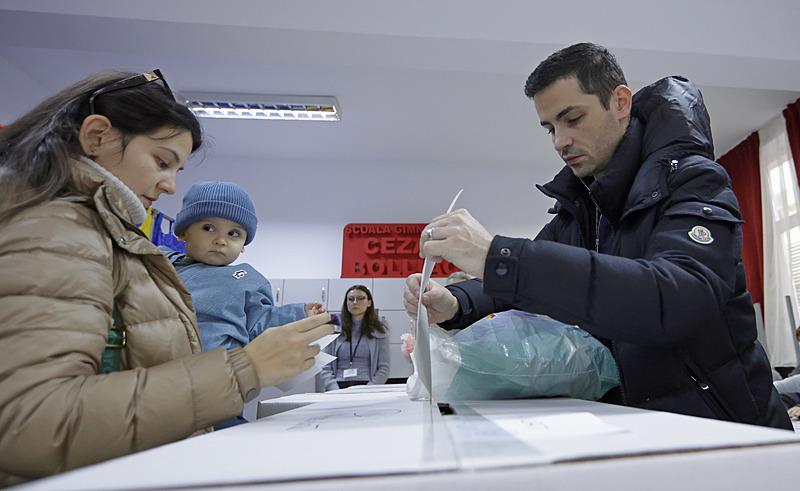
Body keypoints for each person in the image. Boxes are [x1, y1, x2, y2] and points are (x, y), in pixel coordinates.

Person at [403, 43, 791, 430]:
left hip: (729, 428)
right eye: (551, 128)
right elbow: (532, 270)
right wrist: (455, 301)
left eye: (572, 118)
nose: (559, 141)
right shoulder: (584, 206)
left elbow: (674, 299)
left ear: (620, 102)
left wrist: (495, 255)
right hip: (641, 428)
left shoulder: (693, 181)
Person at [0, 69, 334, 485]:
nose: (170, 186)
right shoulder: (55, 231)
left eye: (177, 169)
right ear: (97, 136)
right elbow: (27, 421)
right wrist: (243, 370)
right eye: (162, 162)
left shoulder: (110, 238)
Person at [161, 180, 325, 428]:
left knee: (225, 436)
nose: (220, 240)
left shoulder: (246, 279)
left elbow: (262, 322)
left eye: (233, 233)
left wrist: (300, 313)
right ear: (183, 232)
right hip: (164, 384)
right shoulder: (161, 266)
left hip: (222, 381)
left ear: (245, 244)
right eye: (208, 227)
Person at [319, 285, 390, 390]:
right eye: (351, 299)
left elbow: (384, 368)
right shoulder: (334, 328)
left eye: (361, 298)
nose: (355, 302)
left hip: (367, 387)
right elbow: (325, 366)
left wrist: (369, 390)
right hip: (337, 387)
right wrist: (334, 389)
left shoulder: (379, 329)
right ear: (346, 303)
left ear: (369, 303)